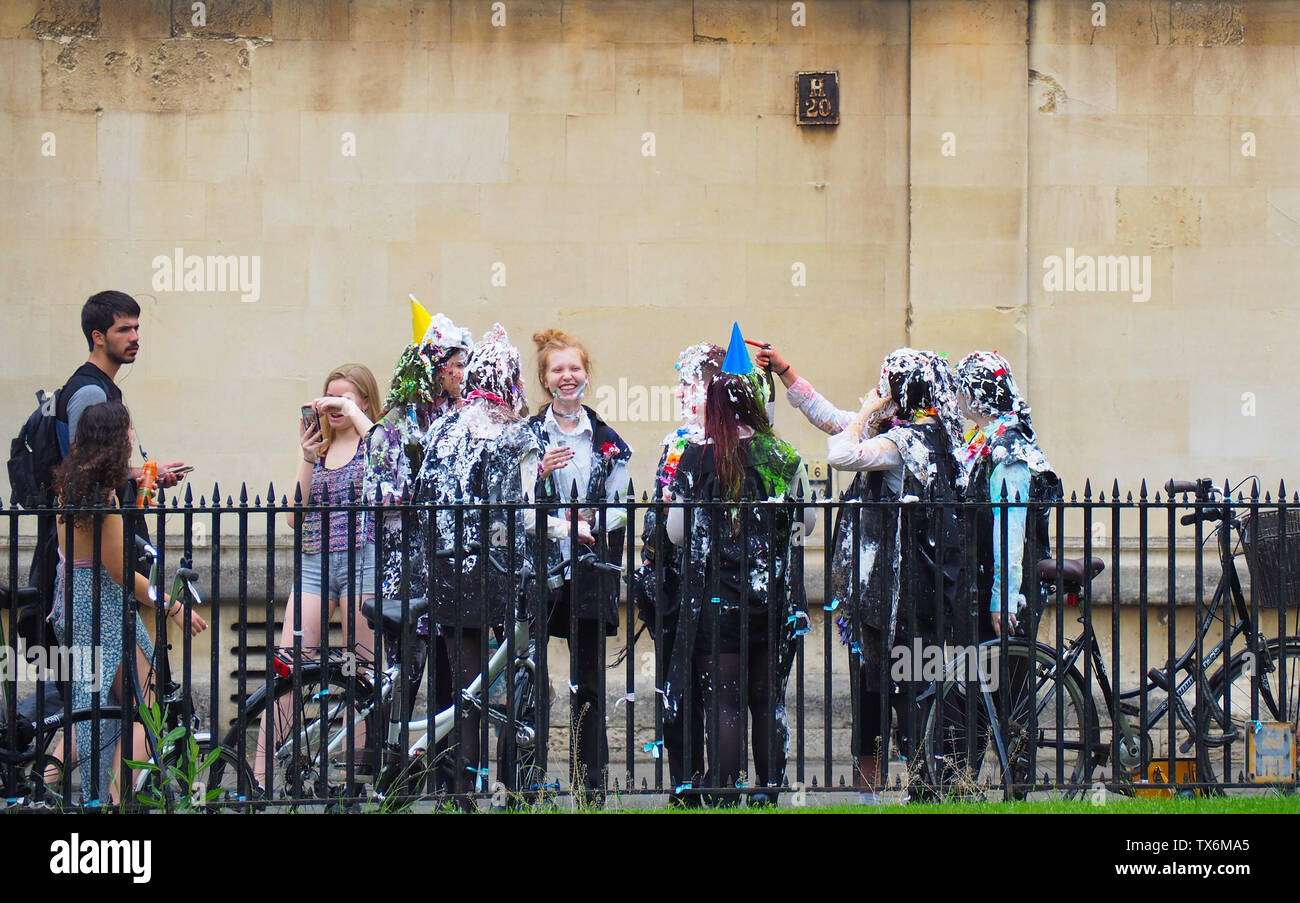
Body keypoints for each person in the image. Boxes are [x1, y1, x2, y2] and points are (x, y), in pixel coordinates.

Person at [756, 342, 966, 803]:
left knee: (904, 689)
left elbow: (841, 451)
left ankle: (921, 788)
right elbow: (833, 419)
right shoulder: (909, 432)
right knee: (876, 689)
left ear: (905, 390)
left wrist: (867, 410)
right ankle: (872, 792)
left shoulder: (906, 441)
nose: (879, 388)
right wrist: (787, 373)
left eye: (886, 380)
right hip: (887, 592)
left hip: (897, 594)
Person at [662, 327, 814, 806]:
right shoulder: (783, 456)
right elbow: (807, 523)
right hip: (770, 599)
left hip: (715, 599)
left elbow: (676, 534)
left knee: (724, 700)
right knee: (766, 701)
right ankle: (768, 793)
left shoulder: (695, 456)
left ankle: (725, 794)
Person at [25, 291, 187, 728]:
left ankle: (93, 788)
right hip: (98, 594)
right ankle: (109, 788)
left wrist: (139, 476)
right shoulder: (89, 392)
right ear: (98, 336)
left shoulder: (98, 387)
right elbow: (88, 467)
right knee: (135, 709)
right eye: (124, 329)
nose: (135, 337)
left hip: (91, 592)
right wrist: (170, 604)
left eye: (137, 328)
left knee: (107, 709)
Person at [49, 401, 206, 804]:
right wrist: (170, 605)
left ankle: (43, 777)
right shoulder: (103, 496)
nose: (134, 439)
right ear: (115, 440)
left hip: (74, 604)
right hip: (102, 608)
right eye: (129, 432)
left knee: (90, 704)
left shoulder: (73, 484)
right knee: (147, 708)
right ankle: (116, 800)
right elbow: (119, 570)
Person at [414, 324, 541, 798]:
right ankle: (515, 788)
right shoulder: (514, 434)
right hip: (504, 575)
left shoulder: (443, 429)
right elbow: (524, 517)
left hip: (449, 570)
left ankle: (461, 793)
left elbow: (424, 502)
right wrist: (572, 528)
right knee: (523, 685)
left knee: (465, 692)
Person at [526, 328, 631, 804]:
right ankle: (524, 786)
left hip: (588, 576)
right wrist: (539, 475)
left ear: (586, 375)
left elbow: (623, 505)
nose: (567, 377)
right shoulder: (527, 437)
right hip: (536, 574)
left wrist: (590, 518)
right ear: (545, 380)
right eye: (557, 370)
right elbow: (512, 507)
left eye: (575, 368)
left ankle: (591, 790)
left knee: (587, 685)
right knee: (530, 681)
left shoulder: (609, 441)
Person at [267, 364, 381, 793]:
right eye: (327, 398)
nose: (332, 406)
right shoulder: (320, 447)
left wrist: (355, 416)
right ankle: (262, 774)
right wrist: (306, 455)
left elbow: (393, 471)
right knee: (288, 665)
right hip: (316, 559)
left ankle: (351, 776)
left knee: (360, 671)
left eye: (344, 398)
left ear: (364, 401)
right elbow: (295, 516)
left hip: (364, 559)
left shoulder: (376, 441)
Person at [364, 313, 473, 723]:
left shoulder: (458, 421)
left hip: (448, 568)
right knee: (402, 679)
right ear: (433, 366)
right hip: (404, 573)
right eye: (457, 364)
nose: (464, 372)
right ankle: (390, 775)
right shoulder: (391, 426)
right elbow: (373, 496)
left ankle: (446, 777)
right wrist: (420, 491)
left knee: (452, 681)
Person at [633, 341, 723, 805]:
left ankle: (719, 780)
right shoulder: (675, 441)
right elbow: (658, 507)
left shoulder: (732, 442)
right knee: (677, 688)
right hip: (674, 583)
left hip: (717, 584)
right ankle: (683, 781)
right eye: (681, 382)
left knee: (717, 689)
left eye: (693, 383)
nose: (683, 391)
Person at [955, 351, 1060, 639]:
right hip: (980, 582)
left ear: (975, 395)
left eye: (959, 390)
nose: (955, 398)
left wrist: (1003, 599)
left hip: (1005, 593)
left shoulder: (1009, 450)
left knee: (1005, 679)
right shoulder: (985, 438)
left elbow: (1011, 532)